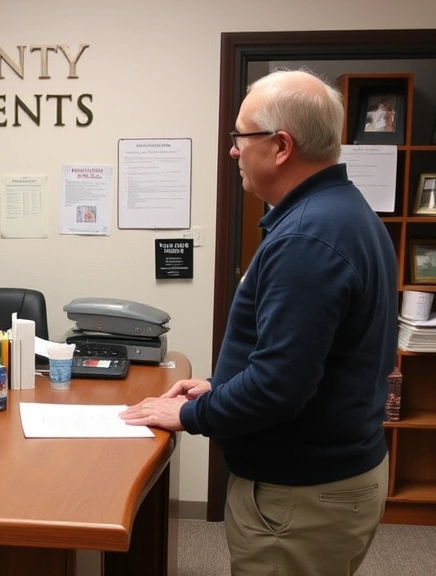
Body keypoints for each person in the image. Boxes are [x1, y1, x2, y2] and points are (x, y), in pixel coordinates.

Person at [121, 70, 397, 576]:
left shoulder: (307, 238)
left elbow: (278, 386)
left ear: (281, 146)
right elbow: (307, 357)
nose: (233, 151)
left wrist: (187, 416)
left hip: (301, 496)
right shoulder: (339, 212)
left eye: (240, 136)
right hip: (327, 478)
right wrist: (220, 387)